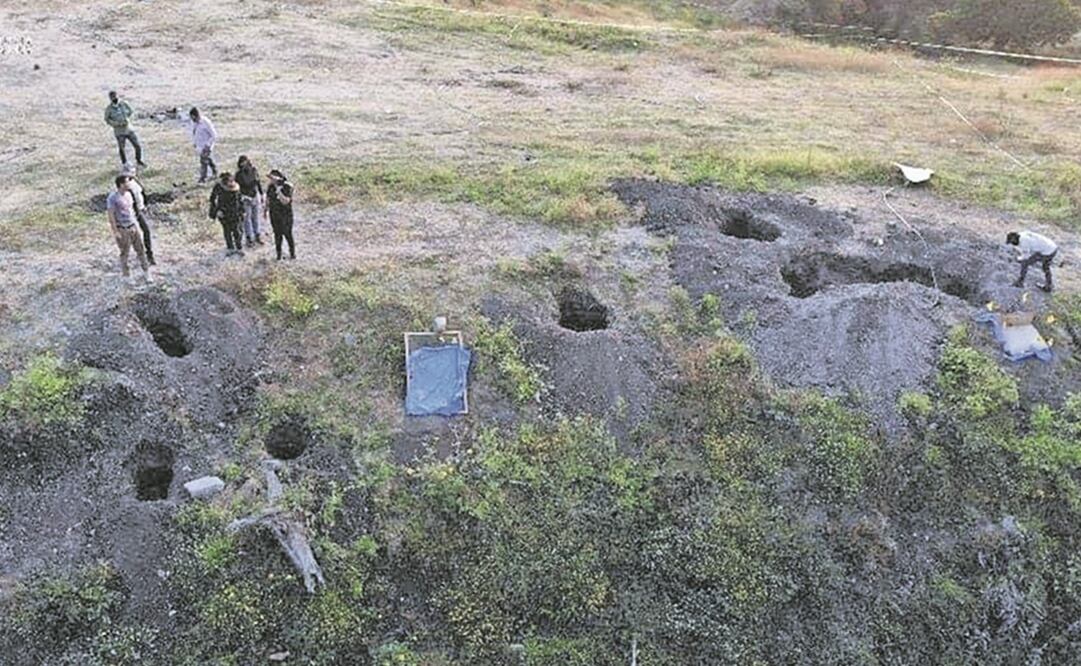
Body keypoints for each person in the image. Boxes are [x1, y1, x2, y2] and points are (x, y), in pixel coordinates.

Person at [107, 175, 152, 283]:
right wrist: (115, 231)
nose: (130, 184)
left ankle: (146, 272)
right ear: (121, 184)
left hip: (133, 226)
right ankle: (126, 276)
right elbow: (111, 215)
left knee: (140, 250)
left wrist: (136, 224)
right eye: (127, 182)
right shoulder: (113, 198)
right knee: (125, 253)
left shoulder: (129, 194)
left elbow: (131, 211)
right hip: (122, 228)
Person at [121, 164, 155, 265]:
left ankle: (148, 254)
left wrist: (145, 205)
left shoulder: (135, 182)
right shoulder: (124, 186)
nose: (133, 173)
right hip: (132, 213)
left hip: (140, 210)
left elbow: (141, 193)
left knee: (146, 232)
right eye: (131, 172)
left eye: (133, 171)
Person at [104, 91, 145, 168]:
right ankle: (125, 163)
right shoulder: (109, 109)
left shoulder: (123, 103)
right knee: (122, 148)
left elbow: (130, 111)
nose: (114, 98)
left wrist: (127, 118)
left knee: (137, 145)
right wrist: (116, 124)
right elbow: (107, 119)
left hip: (128, 129)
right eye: (112, 97)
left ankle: (139, 160)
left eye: (115, 96)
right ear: (110, 98)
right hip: (119, 131)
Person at [210, 172, 244, 256]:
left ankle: (239, 247)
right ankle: (230, 248)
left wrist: (242, 210)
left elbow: (239, 200)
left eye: (232, 181)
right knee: (227, 231)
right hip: (224, 213)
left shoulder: (236, 187)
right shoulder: (219, 187)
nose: (231, 182)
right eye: (229, 181)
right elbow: (212, 199)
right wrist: (216, 211)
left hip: (235, 213)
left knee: (237, 231)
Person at [265, 169, 295, 260]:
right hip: (274, 215)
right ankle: (278, 255)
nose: (271, 180)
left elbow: (286, 201)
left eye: (273, 178)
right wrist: (265, 209)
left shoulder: (287, 186)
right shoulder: (270, 186)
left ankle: (292, 254)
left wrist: (279, 191)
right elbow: (268, 198)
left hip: (286, 216)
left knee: (288, 235)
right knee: (277, 235)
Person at [235, 155, 264, 247]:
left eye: (245, 162)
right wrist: (240, 199)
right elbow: (237, 188)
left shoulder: (254, 170)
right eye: (242, 162)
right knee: (247, 219)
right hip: (245, 198)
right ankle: (249, 238)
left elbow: (258, 182)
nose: (244, 164)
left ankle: (257, 235)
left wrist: (261, 193)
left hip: (254, 196)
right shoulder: (239, 174)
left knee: (255, 217)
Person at [190, 107, 218, 184]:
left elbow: (214, 135)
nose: (192, 120)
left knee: (203, 162)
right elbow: (195, 133)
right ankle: (215, 172)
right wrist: (195, 143)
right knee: (209, 160)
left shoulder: (206, 122)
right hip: (200, 147)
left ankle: (203, 178)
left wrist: (207, 145)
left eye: (193, 117)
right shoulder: (195, 123)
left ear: (196, 115)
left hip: (206, 147)